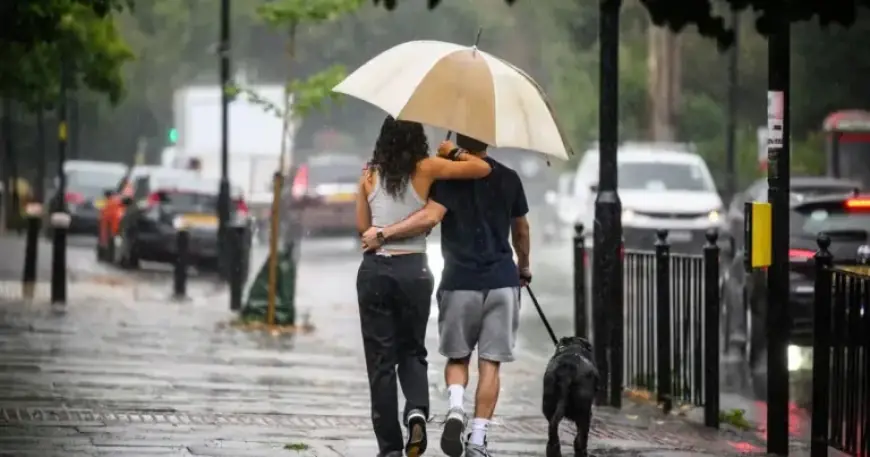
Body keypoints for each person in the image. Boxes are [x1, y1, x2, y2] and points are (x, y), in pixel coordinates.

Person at [361, 133, 532, 457]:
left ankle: (455, 407)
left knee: (458, 357)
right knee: (491, 363)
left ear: (459, 141)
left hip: (460, 280)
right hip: (501, 281)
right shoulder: (509, 178)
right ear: (488, 141)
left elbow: (430, 216)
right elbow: (521, 230)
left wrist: (384, 233)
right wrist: (523, 267)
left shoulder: (447, 178)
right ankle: (478, 439)